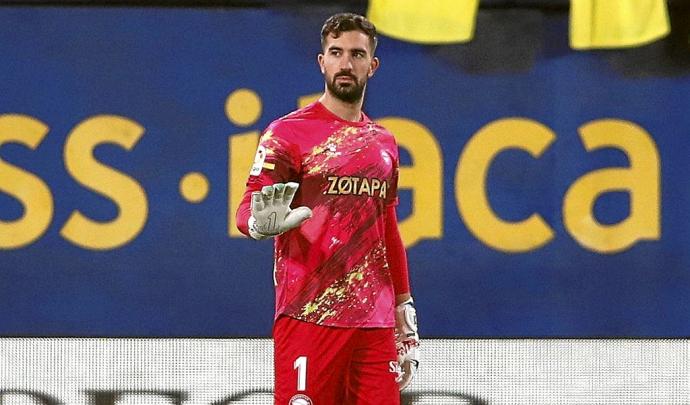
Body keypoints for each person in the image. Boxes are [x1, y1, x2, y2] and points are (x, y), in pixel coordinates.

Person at [236, 12, 419, 405]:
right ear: (322, 62)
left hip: (374, 324)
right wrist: (257, 224)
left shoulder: (384, 144)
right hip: (308, 315)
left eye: (356, 54)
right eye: (336, 53)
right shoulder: (287, 134)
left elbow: (387, 228)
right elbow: (249, 204)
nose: (345, 63)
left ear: (373, 65)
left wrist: (403, 307)